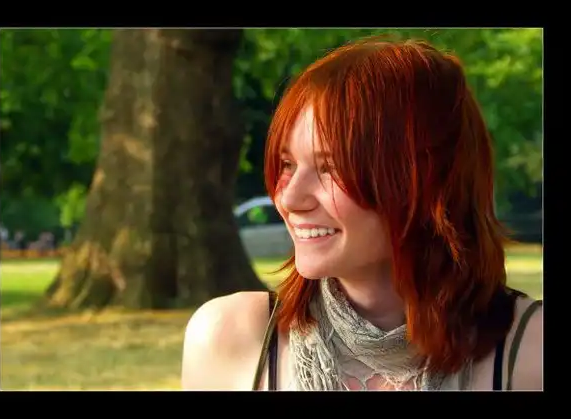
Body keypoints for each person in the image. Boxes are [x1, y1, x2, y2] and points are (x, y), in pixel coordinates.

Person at [181, 36, 543, 391]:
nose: (289, 198)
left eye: (330, 168)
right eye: (288, 164)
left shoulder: (531, 352)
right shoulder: (228, 338)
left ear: (422, 180)